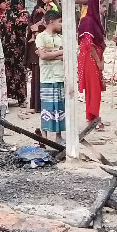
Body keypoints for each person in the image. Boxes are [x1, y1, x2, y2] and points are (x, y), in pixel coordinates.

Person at [26, 0, 58, 113]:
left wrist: (36, 29)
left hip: (47, 46)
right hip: (36, 47)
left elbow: (49, 24)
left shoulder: (51, 9)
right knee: (36, 75)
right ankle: (36, 105)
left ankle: (43, 105)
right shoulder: (37, 8)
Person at [36, 10, 65, 140]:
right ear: (51, 22)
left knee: (59, 106)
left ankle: (59, 135)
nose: (61, 24)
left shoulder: (61, 38)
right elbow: (43, 56)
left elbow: (66, 55)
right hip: (47, 76)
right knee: (47, 106)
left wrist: (50, 54)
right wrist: (59, 53)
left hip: (59, 76)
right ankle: (45, 136)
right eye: (60, 21)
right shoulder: (41, 37)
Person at [77, 0, 106, 126]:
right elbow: (88, 44)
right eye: (103, 6)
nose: (105, 9)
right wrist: (98, 61)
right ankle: (94, 116)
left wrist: (102, 59)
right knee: (93, 88)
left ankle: (92, 115)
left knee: (94, 88)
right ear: (96, 6)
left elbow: (100, 43)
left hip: (95, 57)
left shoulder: (95, 21)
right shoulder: (87, 21)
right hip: (90, 57)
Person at [0, 0, 30, 106]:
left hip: (13, 48)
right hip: (12, 48)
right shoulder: (16, 14)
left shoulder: (15, 14)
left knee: (14, 71)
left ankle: (15, 97)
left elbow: (20, 26)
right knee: (13, 72)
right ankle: (15, 98)